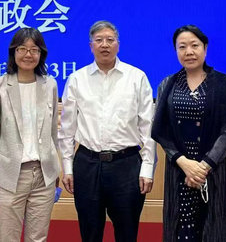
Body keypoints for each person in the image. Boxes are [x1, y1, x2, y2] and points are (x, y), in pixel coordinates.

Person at [58, 20, 156, 242]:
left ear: (118, 45)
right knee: (90, 233)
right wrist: (67, 168)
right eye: (99, 40)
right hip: (87, 164)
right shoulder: (77, 79)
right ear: (91, 46)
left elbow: (147, 127)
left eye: (110, 40)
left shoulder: (136, 77)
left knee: (127, 232)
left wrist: (147, 168)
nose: (105, 45)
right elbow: (67, 129)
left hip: (127, 165)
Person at [151, 25, 226, 242]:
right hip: (179, 171)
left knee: (214, 229)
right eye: (182, 47)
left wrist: (203, 167)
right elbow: (161, 130)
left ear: (205, 48)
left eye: (194, 45)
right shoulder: (167, 84)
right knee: (180, 229)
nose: (189, 52)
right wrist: (183, 163)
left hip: (211, 169)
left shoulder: (225, 83)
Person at [0, 27, 61, 242]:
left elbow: (53, 132)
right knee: (8, 237)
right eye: (22, 49)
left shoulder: (50, 85)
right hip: (10, 175)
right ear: (13, 52)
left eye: (34, 50)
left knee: (38, 238)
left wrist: (56, 169)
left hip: (44, 175)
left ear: (41, 54)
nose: (28, 54)